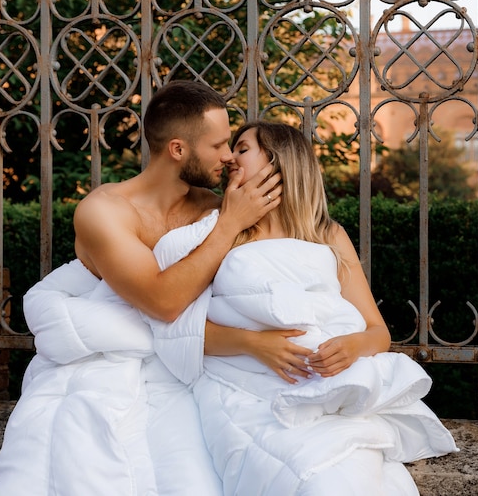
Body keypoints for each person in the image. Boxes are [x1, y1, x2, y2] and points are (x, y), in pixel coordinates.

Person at [0, 81, 286, 496]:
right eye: (218, 145)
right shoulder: (104, 210)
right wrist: (230, 226)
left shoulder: (217, 206)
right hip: (108, 363)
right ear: (178, 149)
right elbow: (162, 303)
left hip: (191, 366)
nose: (228, 157)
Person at [187, 121, 459, 495]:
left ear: (278, 160)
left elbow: (378, 333)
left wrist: (351, 347)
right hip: (245, 389)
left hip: (326, 388)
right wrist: (255, 344)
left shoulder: (328, 235)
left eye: (243, 148)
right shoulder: (220, 230)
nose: (231, 157)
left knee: (349, 472)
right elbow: (182, 328)